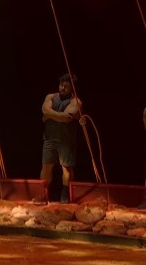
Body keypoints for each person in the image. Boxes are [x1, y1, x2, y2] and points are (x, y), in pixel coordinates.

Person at [40, 74, 81, 204]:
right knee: (46, 166)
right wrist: (59, 116)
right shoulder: (50, 97)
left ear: (72, 88)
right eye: (61, 85)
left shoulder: (76, 102)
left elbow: (66, 118)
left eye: (66, 86)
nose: (62, 88)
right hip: (50, 138)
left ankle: (65, 193)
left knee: (66, 168)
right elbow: (45, 110)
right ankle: (43, 194)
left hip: (66, 140)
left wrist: (49, 116)